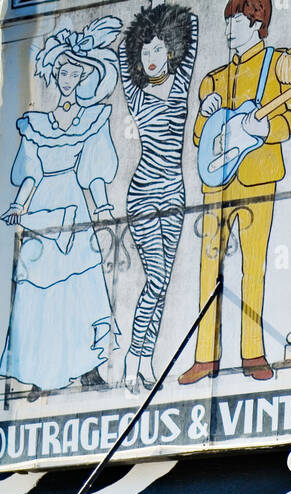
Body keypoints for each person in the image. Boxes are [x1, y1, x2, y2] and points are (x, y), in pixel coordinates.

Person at [179, 0, 291, 386]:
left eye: (237, 21)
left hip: (257, 176)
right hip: (216, 183)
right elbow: (200, 137)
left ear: (257, 23)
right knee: (208, 270)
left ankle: (253, 352)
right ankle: (205, 356)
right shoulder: (214, 79)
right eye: (228, 21)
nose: (229, 29)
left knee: (254, 267)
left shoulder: (278, 65)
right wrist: (205, 111)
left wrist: (264, 131)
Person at [0, 18, 121, 397]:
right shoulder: (36, 123)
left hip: (75, 204)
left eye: (74, 72)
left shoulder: (92, 117)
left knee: (82, 286)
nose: (68, 78)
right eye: (63, 71)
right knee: (38, 291)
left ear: (82, 75)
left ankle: (88, 368)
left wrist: (101, 206)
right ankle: (41, 374)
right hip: (43, 213)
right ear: (55, 75)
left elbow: (94, 170)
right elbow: (30, 172)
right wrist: (18, 205)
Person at [119, 4, 199, 389]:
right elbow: (122, 55)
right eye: (144, 52)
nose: (149, 59)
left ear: (169, 49)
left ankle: (146, 360)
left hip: (174, 192)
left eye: (156, 49)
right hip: (144, 193)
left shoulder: (181, 81)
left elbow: (195, 26)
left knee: (163, 283)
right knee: (154, 278)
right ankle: (133, 355)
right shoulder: (136, 96)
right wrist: (138, 28)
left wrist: (161, 20)